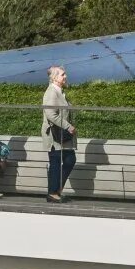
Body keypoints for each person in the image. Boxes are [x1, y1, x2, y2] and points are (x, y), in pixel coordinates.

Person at [41, 66, 77, 202]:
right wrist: (68, 126)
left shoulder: (59, 91)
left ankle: (57, 190)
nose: (65, 76)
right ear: (54, 78)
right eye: (63, 74)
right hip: (55, 135)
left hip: (62, 134)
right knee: (56, 162)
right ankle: (52, 193)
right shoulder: (51, 92)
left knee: (69, 160)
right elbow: (50, 114)